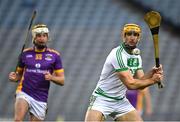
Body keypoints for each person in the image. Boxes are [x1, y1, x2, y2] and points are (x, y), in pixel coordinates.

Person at [85, 23, 163, 121]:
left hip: (120, 101)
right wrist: (153, 81)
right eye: (129, 34)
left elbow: (141, 82)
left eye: (135, 35)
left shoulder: (136, 56)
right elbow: (130, 84)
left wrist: (152, 73)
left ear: (139, 38)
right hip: (102, 99)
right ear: (124, 36)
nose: (132, 37)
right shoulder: (117, 54)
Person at [9, 24, 65, 121]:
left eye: (44, 35)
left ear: (47, 37)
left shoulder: (54, 55)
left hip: (41, 97)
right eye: (39, 35)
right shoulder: (25, 54)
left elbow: (62, 80)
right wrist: (14, 77)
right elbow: (18, 75)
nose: (42, 38)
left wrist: (51, 77)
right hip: (24, 91)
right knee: (18, 120)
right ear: (34, 38)